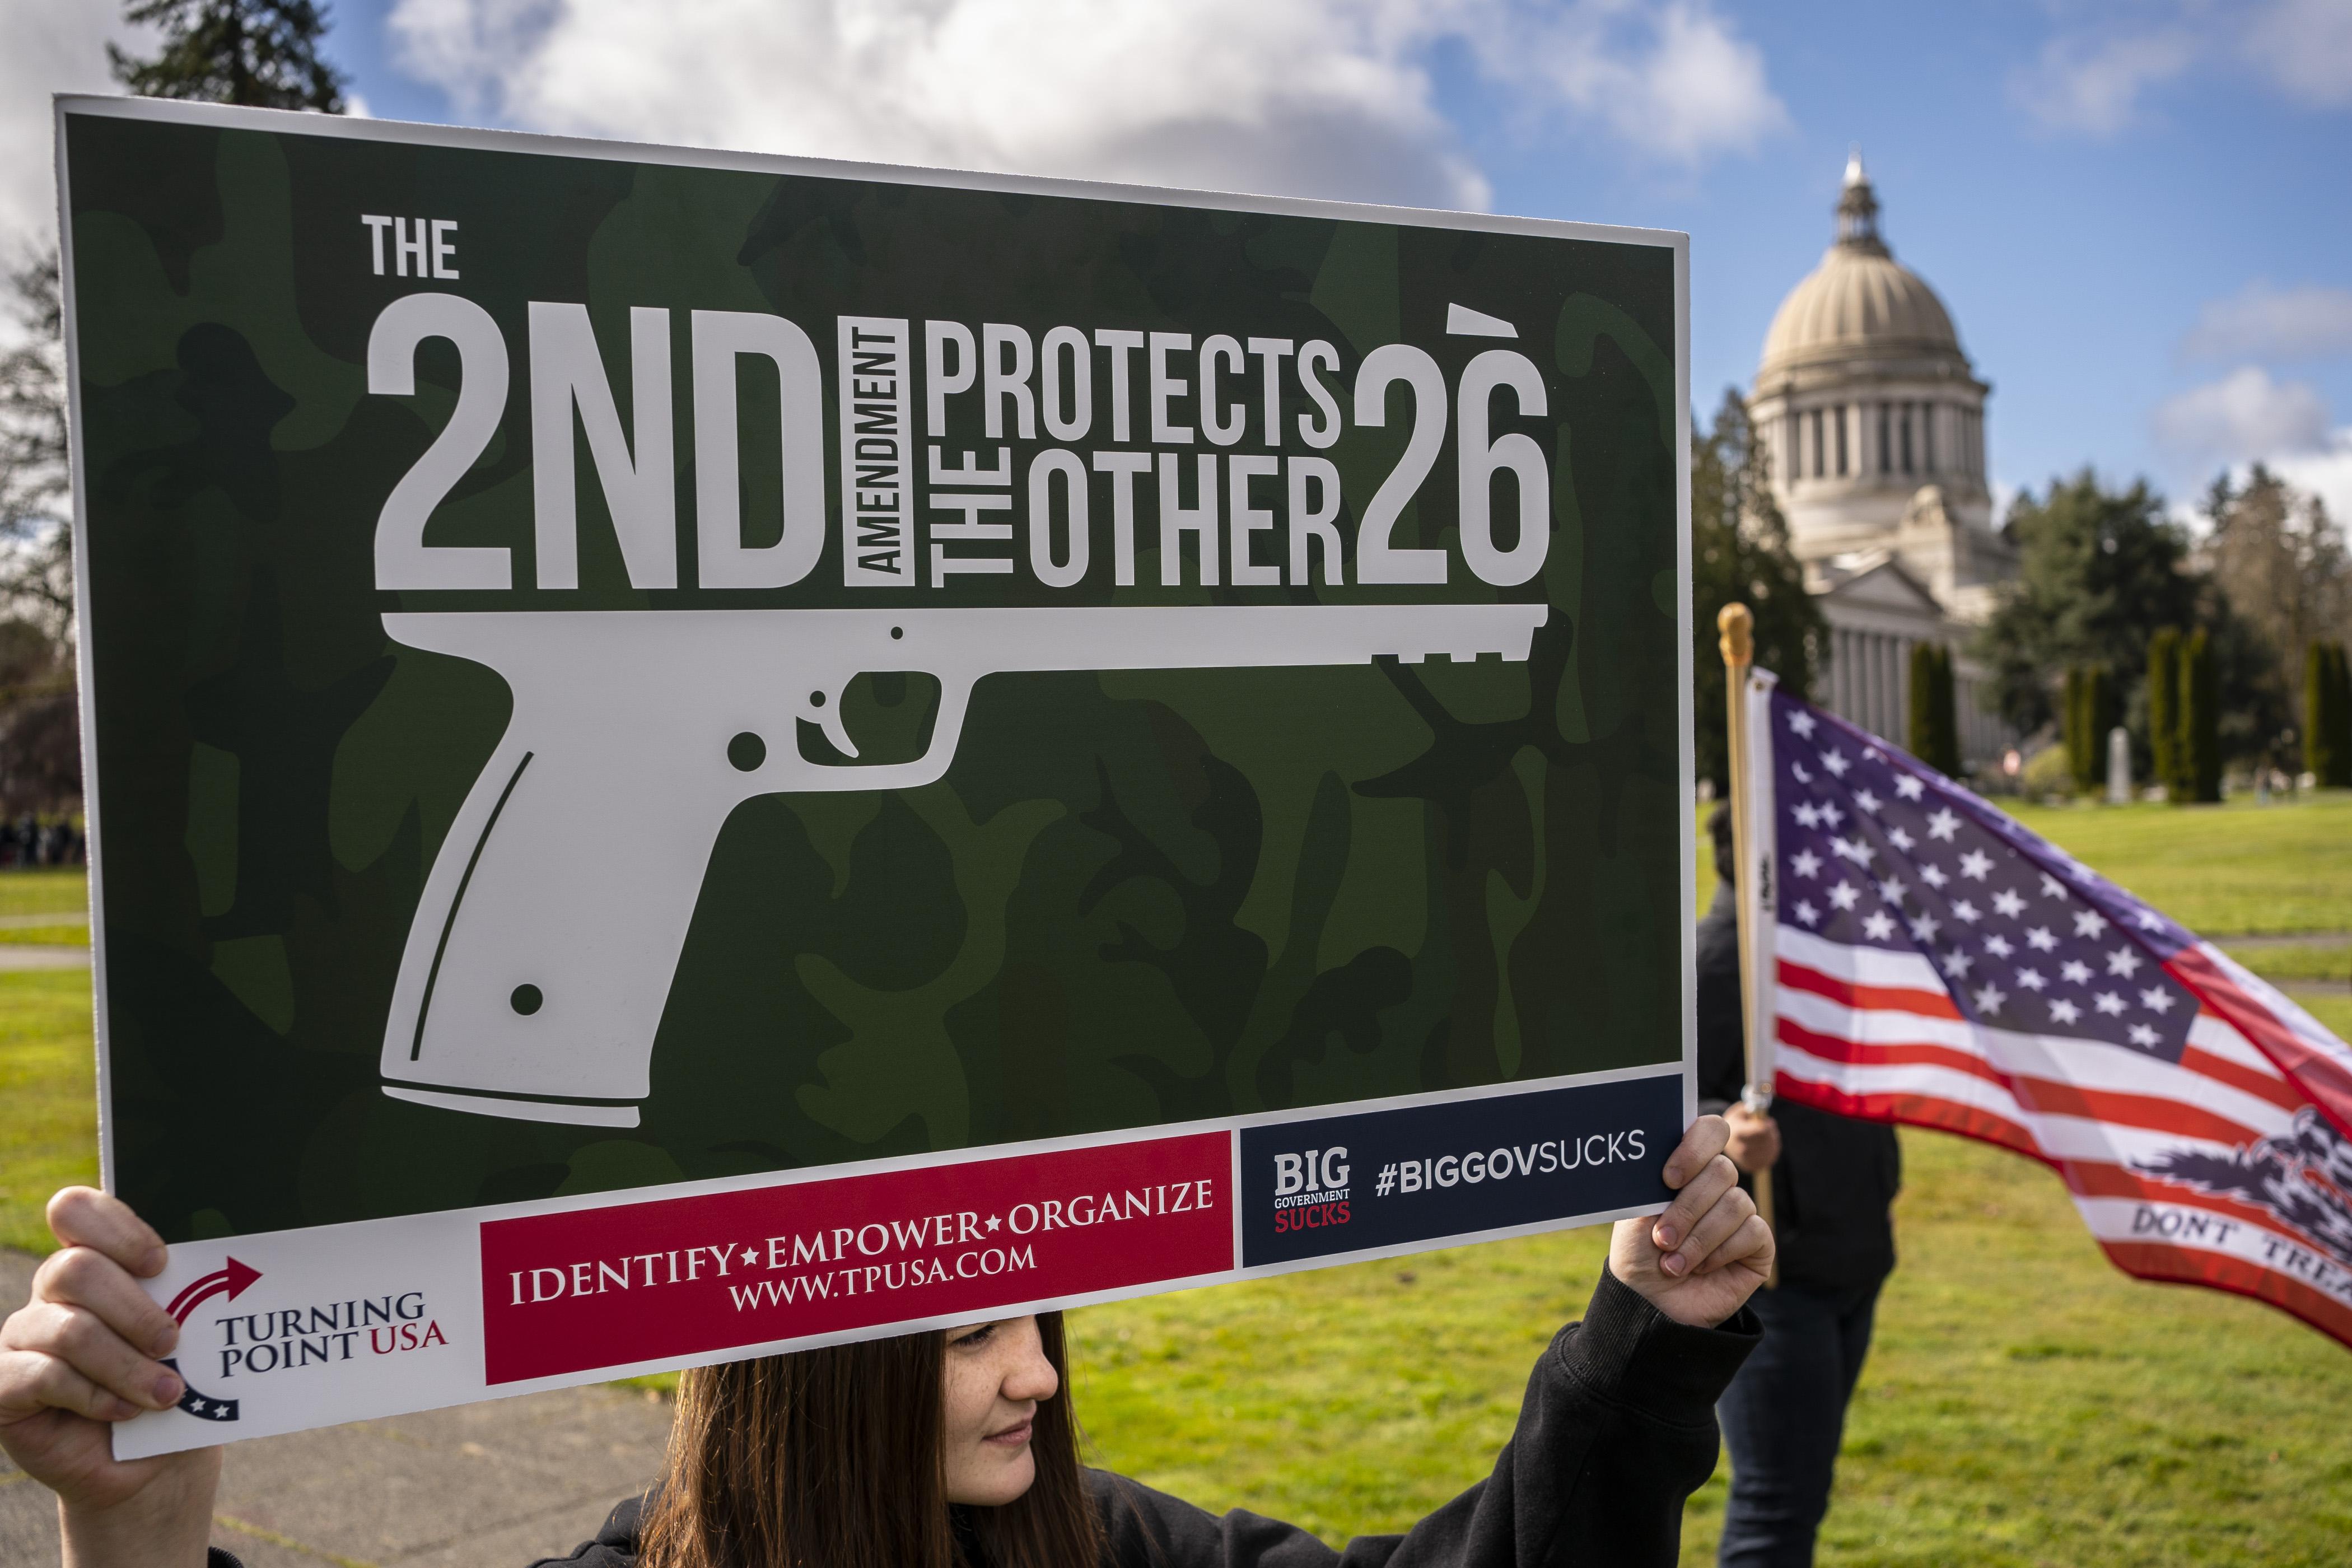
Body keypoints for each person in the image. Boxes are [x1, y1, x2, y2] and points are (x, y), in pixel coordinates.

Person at [2, 1119, 1767, 1568]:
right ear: (801, 1353)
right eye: (964, 1333)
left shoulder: (1096, 1545)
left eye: (1036, 1315)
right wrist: (138, 1531)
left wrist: (1640, 1340)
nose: (1039, 1375)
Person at [1696, 804, 1901, 1568]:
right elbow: (1645, 1118)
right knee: (1775, 1507)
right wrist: (1723, 1125)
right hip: (1772, 1286)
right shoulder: (1715, 963)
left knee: (1804, 1493)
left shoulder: (1821, 955)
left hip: (1852, 1256)